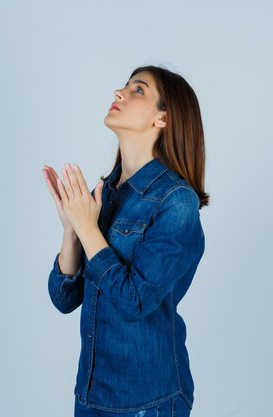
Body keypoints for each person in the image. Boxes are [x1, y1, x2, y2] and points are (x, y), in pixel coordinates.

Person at [42, 65, 209, 417]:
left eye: (138, 90)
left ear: (163, 118)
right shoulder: (106, 193)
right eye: (125, 86)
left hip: (148, 400)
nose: (119, 92)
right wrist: (72, 231)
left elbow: (134, 301)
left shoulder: (176, 202)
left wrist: (88, 229)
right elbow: (64, 297)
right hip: (91, 394)